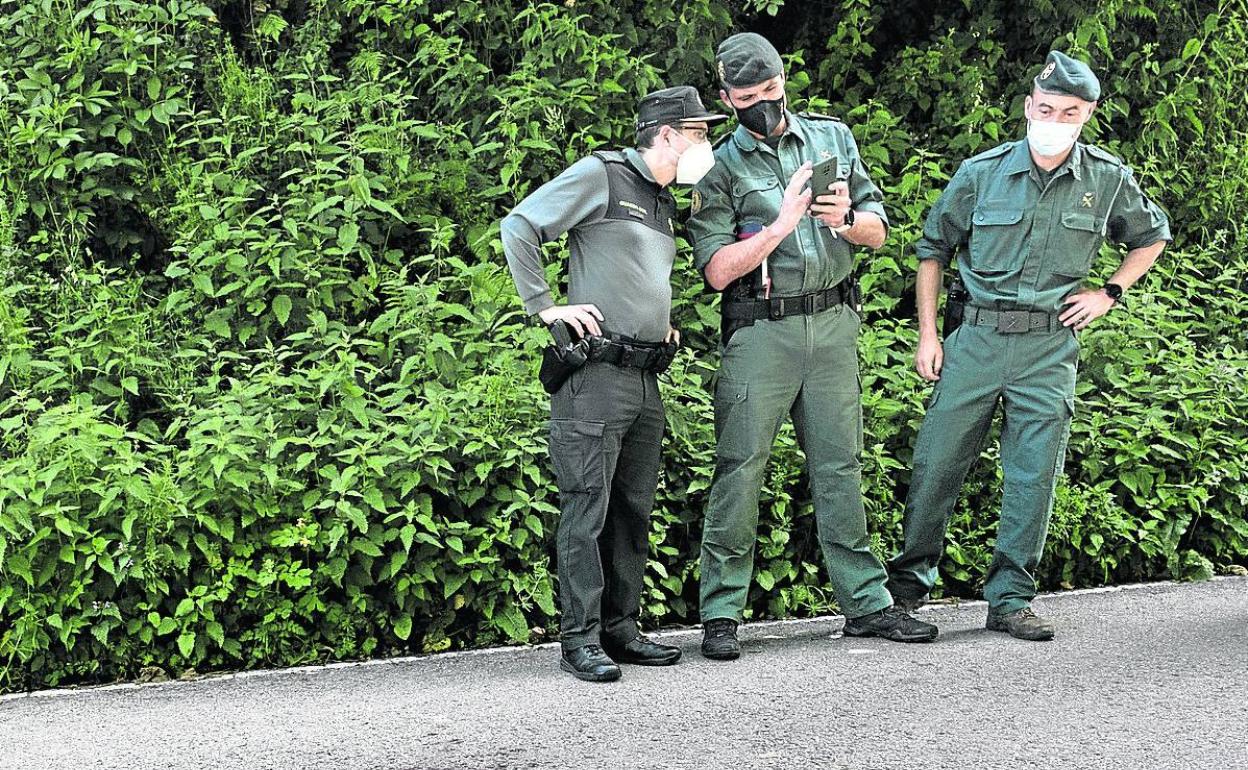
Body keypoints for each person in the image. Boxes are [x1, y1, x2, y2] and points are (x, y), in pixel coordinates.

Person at [886, 51, 1172, 640]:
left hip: (1048, 347)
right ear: (1027, 107)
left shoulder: (1106, 178)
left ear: (1088, 114)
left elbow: (1152, 237)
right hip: (978, 340)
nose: (1055, 119)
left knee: (1033, 474)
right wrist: (930, 334)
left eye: (1070, 112)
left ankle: (1010, 598)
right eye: (1046, 108)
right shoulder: (982, 172)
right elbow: (932, 249)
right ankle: (907, 589)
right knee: (937, 464)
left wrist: (1110, 292)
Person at [688, 32, 938, 661]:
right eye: (748, 98)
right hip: (761, 330)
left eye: (771, 91)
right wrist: (780, 227)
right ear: (726, 98)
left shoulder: (832, 138)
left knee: (840, 465)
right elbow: (716, 270)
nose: (764, 106)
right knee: (740, 469)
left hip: (831, 324)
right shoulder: (716, 166)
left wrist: (845, 220)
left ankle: (866, 604)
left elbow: (880, 233)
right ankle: (721, 613)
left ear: (783, 82)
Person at [500, 86, 727, 681]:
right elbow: (519, 225)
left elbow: (635, 273)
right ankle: (580, 638)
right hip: (594, 376)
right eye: (700, 133)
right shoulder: (603, 174)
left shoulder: (660, 199)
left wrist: (660, 322)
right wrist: (545, 306)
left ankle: (621, 628)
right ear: (669, 134)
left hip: (646, 376)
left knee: (632, 510)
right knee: (587, 509)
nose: (707, 144)